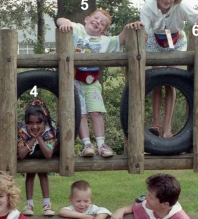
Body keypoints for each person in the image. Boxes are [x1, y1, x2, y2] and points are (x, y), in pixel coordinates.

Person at [57, 10, 142, 158]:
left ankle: (101, 144)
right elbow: (60, 19)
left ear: (103, 30)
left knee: (96, 112)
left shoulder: (104, 41)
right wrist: (63, 23)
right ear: (87, 18)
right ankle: (87, 144)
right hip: (74, 80)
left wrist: (128, 27)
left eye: (102, 23)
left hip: (91, 81)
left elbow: (121, 39)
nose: (97, 22)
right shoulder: (77, 29)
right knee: (81, 113)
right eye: (96, 18)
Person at [141, 0, 198, 138]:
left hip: (175, 41)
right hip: (155, 40)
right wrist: (141, 50)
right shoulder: (149, 6)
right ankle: (156, 124)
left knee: (171, 81)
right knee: (157, 79)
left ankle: (167, 127)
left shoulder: (181, 6)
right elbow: (144, 31)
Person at [18, 99, 56, 217]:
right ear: (26, 123)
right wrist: (33, 139)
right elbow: (21, 154)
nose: (34, 126)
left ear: (44, 122)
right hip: (29, 154)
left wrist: (39, 137)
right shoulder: (23, 131)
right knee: (30, 173)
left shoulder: (50, 130)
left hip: (43, 153)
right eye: (31, 123)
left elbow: (49, 154)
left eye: (38, 123)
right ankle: (29, 204)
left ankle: (47, 204)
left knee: (42, 172)